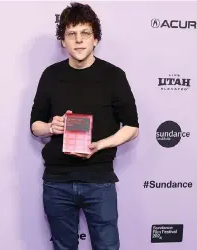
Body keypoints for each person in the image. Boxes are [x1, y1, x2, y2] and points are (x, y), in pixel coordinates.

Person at [30, 2, 139, 250]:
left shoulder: (114, 76)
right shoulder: (50, 75)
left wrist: (100, 144)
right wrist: (51, 126)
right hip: (57, 181)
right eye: (71, 34)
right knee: (63, 246)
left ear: (95, 39)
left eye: (85, 33)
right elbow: (35, 125)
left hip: (99, 179)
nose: (79, 41)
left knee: (107, 247)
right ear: (63, 42)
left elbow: (132, 127)